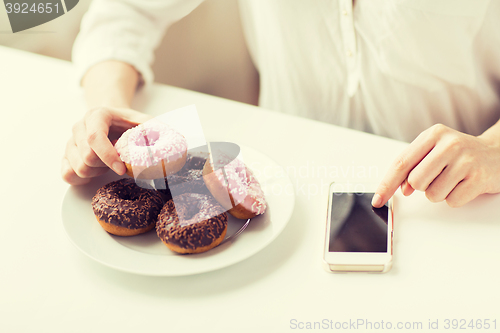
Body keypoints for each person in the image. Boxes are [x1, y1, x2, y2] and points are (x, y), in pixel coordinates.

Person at [62, 0, 500, 208]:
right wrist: (107, 108)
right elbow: (124, 13)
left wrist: (492, 151)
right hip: (280, 191)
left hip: (459, 201)